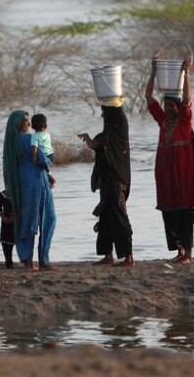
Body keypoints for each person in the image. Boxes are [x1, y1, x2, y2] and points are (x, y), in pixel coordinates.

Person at [145, 54, 194, 264]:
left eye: (171, 106)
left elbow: (187, 99)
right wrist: (154, 72)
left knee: (184, 212)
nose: (167, 109)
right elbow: (149, 98)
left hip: (183, 174)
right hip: (165, 174)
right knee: (169, 212)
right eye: (166, 107)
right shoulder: (163, 121)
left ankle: (188, 254)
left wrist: (187, 73)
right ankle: (179, 250)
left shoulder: (184, 121)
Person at [78, 99, 134, 267]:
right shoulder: (111, 130)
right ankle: (108, 254)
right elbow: (97, 144)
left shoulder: (118, 130)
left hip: (118, 179)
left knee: (119, 215)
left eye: (104, 111)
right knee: (106, 217)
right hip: (109, 179)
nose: (102, 114)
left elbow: (100, 143)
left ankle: (129, 257)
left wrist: (91, 139)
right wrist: (90, 139)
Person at [2, 110, 56, 272]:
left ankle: (27, 260)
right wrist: (49, 165)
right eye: (26, 121)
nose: (29, 123)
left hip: (23, 182)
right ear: (19, 124)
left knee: (26, 220)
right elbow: (41, 158)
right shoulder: (28, 139)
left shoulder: (11, 143)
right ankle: (43, 260)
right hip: (37, 181)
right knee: (48, 219)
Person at [0, 189, 15, 268]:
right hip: (5, 219)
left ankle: (25, 261)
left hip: (16, 219)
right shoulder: (2, 195)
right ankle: (8, 261)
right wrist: (4, 217)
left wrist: (13, 217)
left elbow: (21, 207)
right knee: (5, 241)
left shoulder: (18, 193)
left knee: (13, 241)